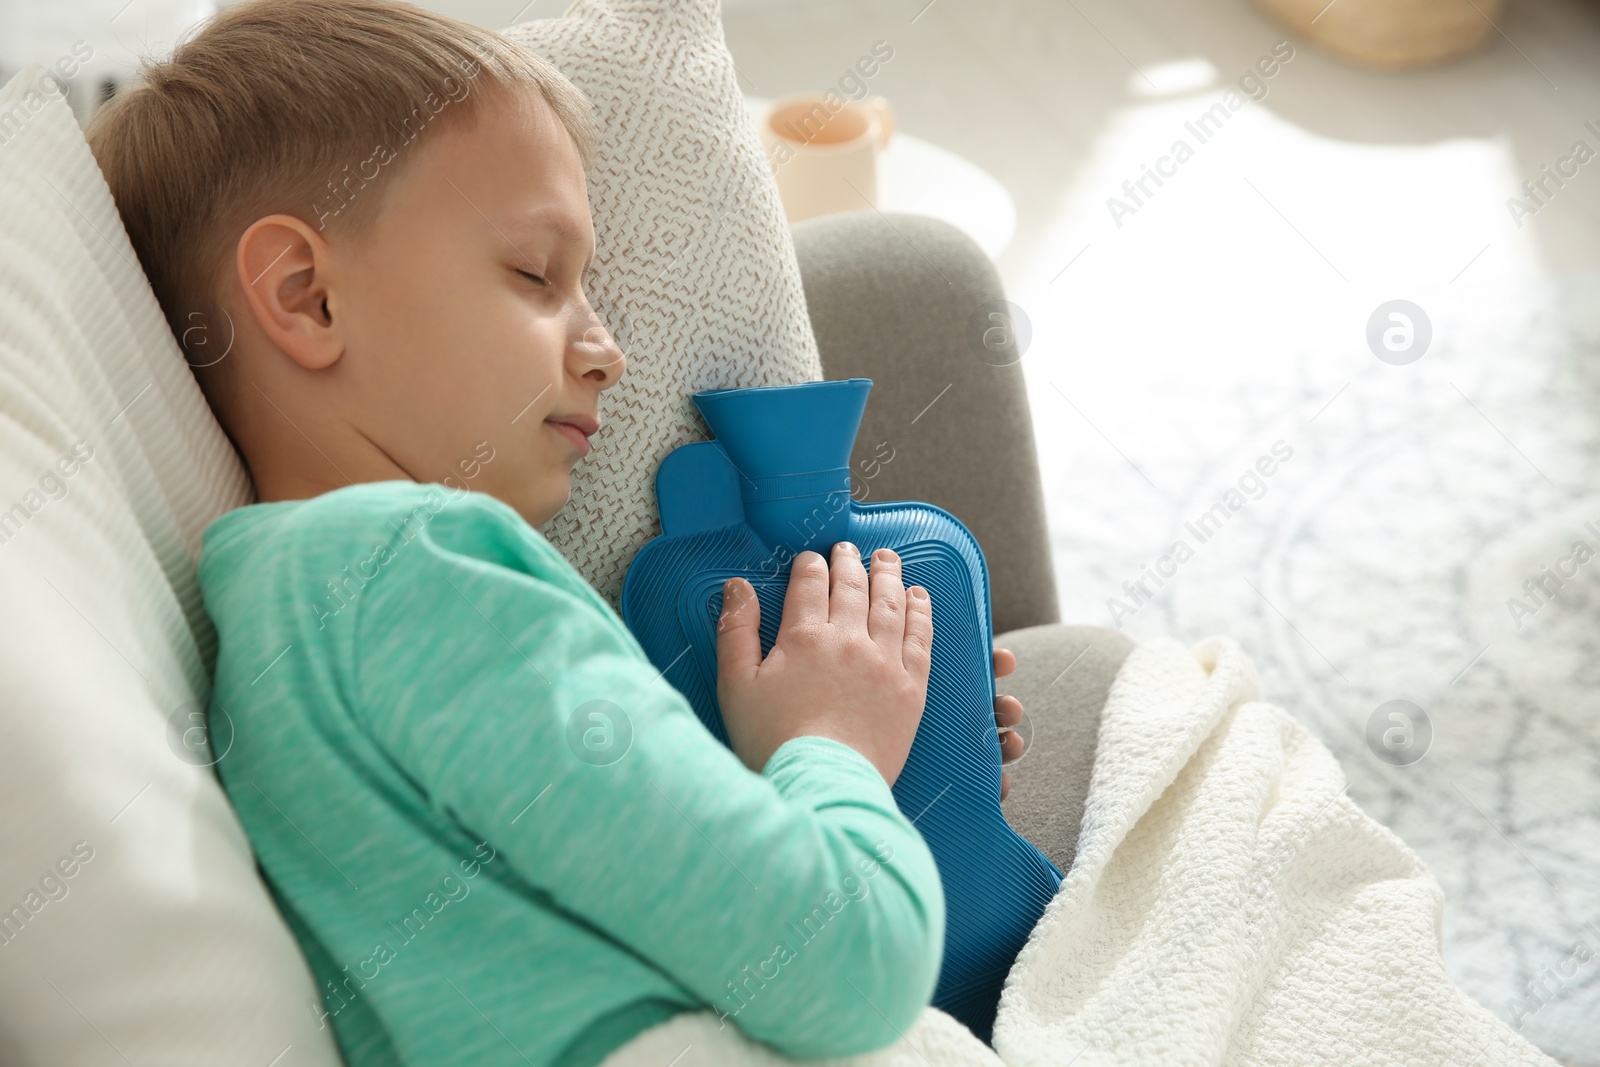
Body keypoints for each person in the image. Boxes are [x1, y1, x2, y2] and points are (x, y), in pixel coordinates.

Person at [85, 2, 1027, 1064]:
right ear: (305, 296)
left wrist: (873, 734)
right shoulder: (424, 574)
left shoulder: (281, 609)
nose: (609, 350)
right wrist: (834, 746)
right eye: (537, 273)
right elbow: (843, 962)